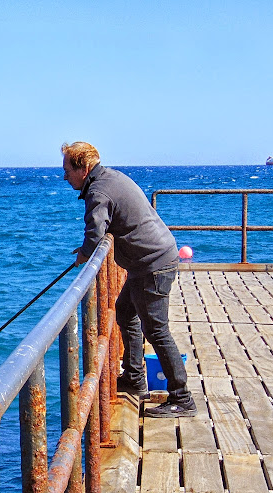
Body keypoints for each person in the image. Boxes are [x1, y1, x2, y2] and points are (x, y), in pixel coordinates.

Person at [61, 141, 196, 418]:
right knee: (124, 311)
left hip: (152, 264)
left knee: (157, 331)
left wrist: (84, 255)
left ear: (83, 168)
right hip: (147, 261)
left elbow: (96, 232)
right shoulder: (110, 177)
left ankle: (182, 398)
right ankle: (135, 377)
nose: (65, 177)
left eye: (67, 170)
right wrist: (87, 249)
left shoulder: (98, 190)